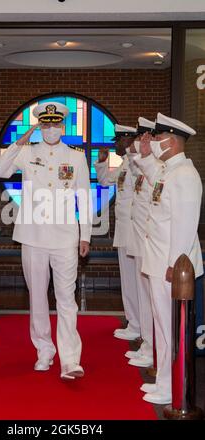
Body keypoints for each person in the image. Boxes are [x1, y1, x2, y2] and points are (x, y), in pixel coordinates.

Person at [0, 101, 92, 380]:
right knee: (37, 297)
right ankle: (44, 351)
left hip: (65, 237)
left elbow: (83, 197)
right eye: (45, 124)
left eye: (55, 124)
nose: (50, 129)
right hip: (33, 236)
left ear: (63, 126)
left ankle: (71, 360)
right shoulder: (27, 152)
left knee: (66, 299)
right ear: (40, 126)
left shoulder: (75, 157)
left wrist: (85, 235)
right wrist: (23, 138)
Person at [135, 113, 203, 405]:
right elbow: (148, 172)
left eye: (159, 137)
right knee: (163, 327)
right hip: (159, 260)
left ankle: (171, 385)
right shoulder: (167, 171)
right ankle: (164, 380)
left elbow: (186, 225)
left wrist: (175, 265)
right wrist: (145, 153)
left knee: (171, 329)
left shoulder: (185, 175)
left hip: (172, 267)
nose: (155, 141)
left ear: (173, 141)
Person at [95, 124, 141, 341]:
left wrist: (135, 155)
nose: (115, 145)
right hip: (123, 231)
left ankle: (139, 325)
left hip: (135, 231)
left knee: (137, 280)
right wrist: (102, 162)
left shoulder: (137, 163)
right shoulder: (124, 164)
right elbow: (105, 181)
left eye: (118, 141)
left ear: (129, 140)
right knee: (128, 279)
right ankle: (133, 322)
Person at [125, 117, 159, 369]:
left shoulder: (158, 170)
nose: (141, 143)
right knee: (145, 297)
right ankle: (147, 343)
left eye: (146, 138)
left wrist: (141, 154)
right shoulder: (147, 169)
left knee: (151, 299)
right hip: (140, 240)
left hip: (151, 243)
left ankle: (151, 346)